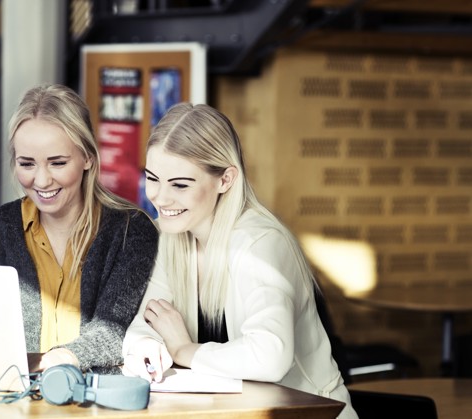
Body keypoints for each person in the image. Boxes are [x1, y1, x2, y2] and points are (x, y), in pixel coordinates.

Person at [121, 103, 357, 418]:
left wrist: (185, 350)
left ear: (226, 180)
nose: (160, 197)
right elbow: (147, 320)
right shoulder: (173, 236)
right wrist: (146, 347)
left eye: (179, 184)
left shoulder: (259, 244)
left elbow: (269, 356)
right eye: (153, 178)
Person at [0, 84, 158, 374]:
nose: (42, 180)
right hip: (12, 399)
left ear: (88, 158)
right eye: (27, 164)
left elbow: (113, 330)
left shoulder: (131, 231)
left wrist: (47, 362)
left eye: (57, 163)